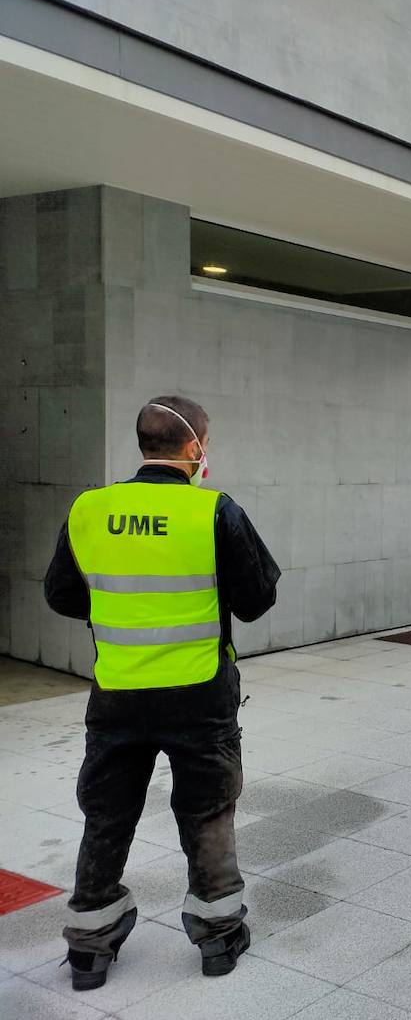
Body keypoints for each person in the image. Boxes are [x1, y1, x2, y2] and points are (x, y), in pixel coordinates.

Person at [43, 395, 279, 991]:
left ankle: (90, 951)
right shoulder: (215, 511)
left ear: (143, 445)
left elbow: (62, 595)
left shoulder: (89, 510)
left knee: (107, 814)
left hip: (118, 693)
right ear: (195, 447)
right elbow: (256, 601)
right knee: (207, 811)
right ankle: (219, 938)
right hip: (199, 694)